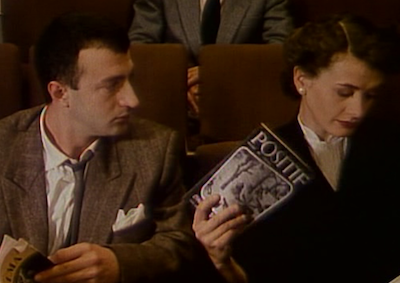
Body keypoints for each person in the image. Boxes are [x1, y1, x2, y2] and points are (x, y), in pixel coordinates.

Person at [0, 12, 213, 283]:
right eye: (112, 86)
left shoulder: (156, 149)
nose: (132, 100)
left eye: (128, 79)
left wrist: (120, 264)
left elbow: (180, 242)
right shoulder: (4, 147)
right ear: (60, 92)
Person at [192, 13, 400, 283]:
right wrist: (221, 261)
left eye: (370, 95)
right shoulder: (255, 163)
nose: (358, 110)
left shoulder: (391, 147)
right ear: (301, 80)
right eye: (344, 93)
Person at [128, 0, 294, 116]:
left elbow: (279, 53)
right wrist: (177, 84)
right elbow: (141, 50)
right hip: (172, 103)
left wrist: (216, 73)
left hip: (240, 104)